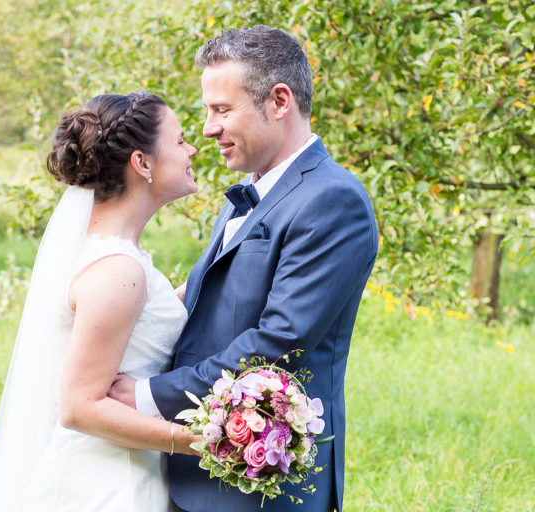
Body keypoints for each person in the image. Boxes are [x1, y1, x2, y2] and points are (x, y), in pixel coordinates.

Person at [109, 26, 379, 511]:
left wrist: (149, 395)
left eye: (222, 110)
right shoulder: (250, 191)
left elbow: (278, 343)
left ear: (279, 101)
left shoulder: (333, 200)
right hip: (198, 474)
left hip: (264, 487)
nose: (208, 129)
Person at [0, 92, 201, 511]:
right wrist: (197, 441)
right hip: (109, 484)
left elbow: (134, 327)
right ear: (142, 163)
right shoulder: (118, 270)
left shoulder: (111, 255)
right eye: (180, 140)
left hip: (123, 467)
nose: (192, 150)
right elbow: (79, 407)